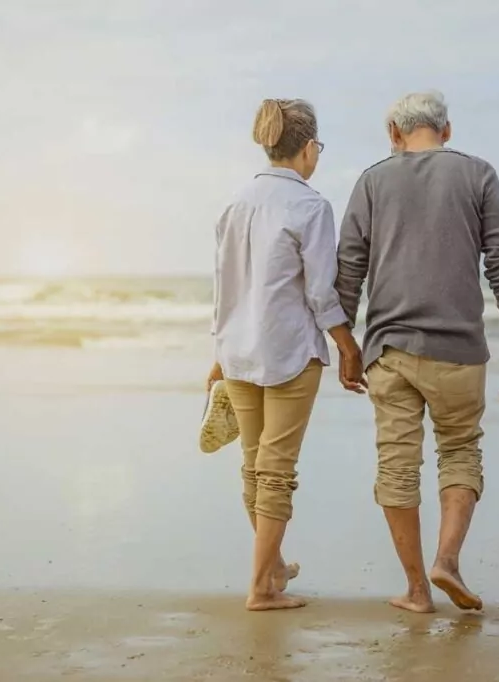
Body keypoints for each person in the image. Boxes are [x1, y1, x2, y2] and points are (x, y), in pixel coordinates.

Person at [336, 91, 499, 613]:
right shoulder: (479, 174)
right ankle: (446, 560)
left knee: (397, 466)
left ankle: (416, 590)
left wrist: (345, 345)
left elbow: (349, 269)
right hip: (459, 350)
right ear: (446, 131)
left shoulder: (372, 180)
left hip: (390, 350)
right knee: (460, 452)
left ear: (394, 135)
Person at [207, 98, 366, 611]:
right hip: (290, 352)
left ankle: (271, 568)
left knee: (254, 466)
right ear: (308, 147)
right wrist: (346, 344)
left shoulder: (235, 202)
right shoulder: (310, 206)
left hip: (237, 351)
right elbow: (321, 292)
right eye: (318, 146)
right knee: (276, 470)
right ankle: (260, 589)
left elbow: (222, 287)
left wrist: (217, 350)